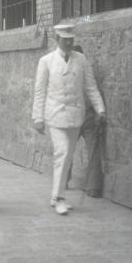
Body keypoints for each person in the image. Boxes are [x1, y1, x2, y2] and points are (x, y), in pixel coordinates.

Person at [32, 24, 105, 215]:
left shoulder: (81, 60)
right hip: (55, 115)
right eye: (65, 40)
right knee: (62, 153)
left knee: (67, 155)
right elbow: (39, 91)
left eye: (72, 40)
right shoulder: (46, 61)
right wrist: (38, 117)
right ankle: (59, 198)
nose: (69, 43)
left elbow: (90, 86)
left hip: (75, 115)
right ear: (57, 40)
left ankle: (56, 195)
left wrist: (100, 108)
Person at [65, 45, 104, 197]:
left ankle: (66, 181)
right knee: (92, 150)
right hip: (83, 116)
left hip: (79, 117)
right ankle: (93, 187)